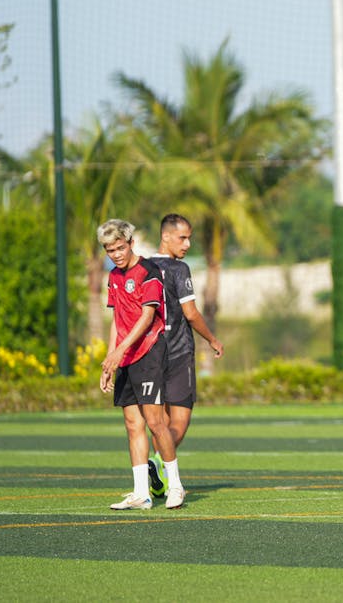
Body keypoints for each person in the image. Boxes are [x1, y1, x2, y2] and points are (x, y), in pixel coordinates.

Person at [97, 219, 186, 510]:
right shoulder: (113, 277)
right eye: (110, 250)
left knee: (155, 422)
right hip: (125, 357)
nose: (116, 254)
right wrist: (110, 361)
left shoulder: (149, 271)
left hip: (148, 353)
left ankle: (176, 486)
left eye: (120, 248)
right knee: (132, 424)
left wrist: (119, 351)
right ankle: (141, 494)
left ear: (131, 243)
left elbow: (147, 317)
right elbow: (117, 320)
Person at [145, 213, 224, 499]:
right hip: (178, 353)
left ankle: (159, 476)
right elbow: (190, 314)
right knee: (178, 423)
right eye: (183, 237)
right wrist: (212, 339)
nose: (188, 244)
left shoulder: (143, 267)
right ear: (166, 237)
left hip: (150, 355)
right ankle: (156, 463)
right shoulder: (179, 269)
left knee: (158, 422)